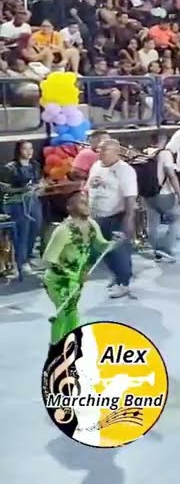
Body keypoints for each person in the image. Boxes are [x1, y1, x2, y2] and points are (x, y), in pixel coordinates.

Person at [41, 191, 119, 344]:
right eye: (81, 202)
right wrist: (74, 275)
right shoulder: (63, 231)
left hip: (76, 280)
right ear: (70, 207)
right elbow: (48, 260)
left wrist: (114, 243)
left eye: (87, 201)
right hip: (58, 280)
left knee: (72, 312)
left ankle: (70, 345)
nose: (87, 205)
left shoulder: (91, 224)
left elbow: (101, 245)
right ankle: (56, 347)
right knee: (63, 313)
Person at [86, 139, 138, 298]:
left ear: (116, 151)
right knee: (104, 251)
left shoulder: (125, 170)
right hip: (96, 216)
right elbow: (89, 187)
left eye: (104, 150)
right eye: (99, 150)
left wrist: (128, 220)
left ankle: (124, 283)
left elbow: (130, 197)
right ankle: (116, 277)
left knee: (119, 252)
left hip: (116, 216)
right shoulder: (96, 166)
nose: (99, 153)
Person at [3, 140, 44, 275]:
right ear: (18, 151)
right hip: (16, 203)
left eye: (31, 148)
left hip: (32, 201)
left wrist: (40, 186)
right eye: (25, 149)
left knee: (35, 228)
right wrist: (22, 189)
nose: (29, 151)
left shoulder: (35, 165)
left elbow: (39, 181)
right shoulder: (11, 167)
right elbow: (4, 189)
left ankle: (29, 255)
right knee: (23, 231)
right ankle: (21, 262)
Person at [143, 131, 180, 262]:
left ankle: (154, 251)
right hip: (164, 193)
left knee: (152, 223)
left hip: (147, 193)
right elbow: (171, 175)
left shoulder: (144, 152)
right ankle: (165, 248)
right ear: (163, 140)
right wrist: (179, 194)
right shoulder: (165, 154)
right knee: (176, 218)